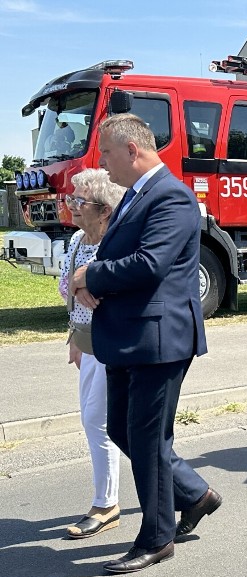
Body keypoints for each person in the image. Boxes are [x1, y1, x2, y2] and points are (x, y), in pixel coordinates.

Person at [70, 113, 220, 574]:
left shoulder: (171, 196)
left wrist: (91, 275)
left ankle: (157, 537)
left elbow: (151, 263)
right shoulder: (136, 194)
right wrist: (87, 282)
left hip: (159, 339)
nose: (103, 162)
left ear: (132, 150)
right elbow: (120, 255)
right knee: (121, 428)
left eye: (107, 153)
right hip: (127, 336)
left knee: (148, 440)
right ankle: (195, 494)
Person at [58, 169, 125, 539]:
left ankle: (106, 504)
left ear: (104, 211)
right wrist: (74, 335)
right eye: (72, 198)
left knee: (98, 422)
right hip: (86, 341)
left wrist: (86, 285)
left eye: (79, 201)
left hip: (110, 342)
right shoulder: (76, 240)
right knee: (103, 421)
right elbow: (65, 286)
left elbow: (112, 292)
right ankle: (184, 490)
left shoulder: (114, 244)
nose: (72, 205)